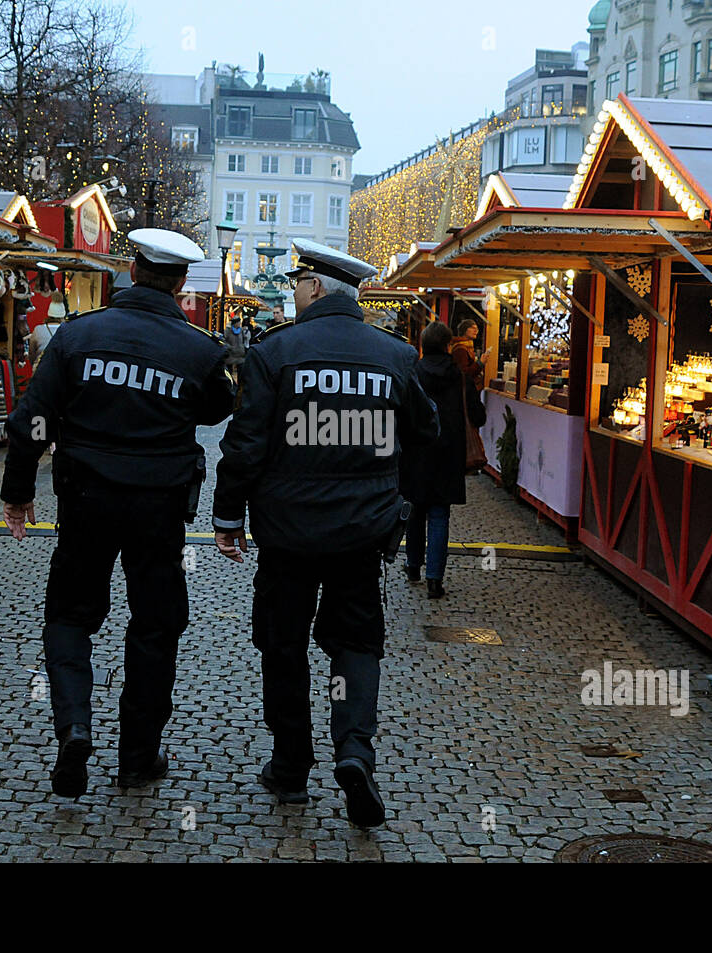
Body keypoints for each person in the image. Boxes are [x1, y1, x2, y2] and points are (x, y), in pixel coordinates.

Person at [1, 228, 235, 799]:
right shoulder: (201, 351)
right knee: (156, 624)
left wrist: (18, 489)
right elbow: (219, 408)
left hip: (84, 499)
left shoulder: (77, 336)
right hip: (159, 509)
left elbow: (33, 417)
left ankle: (74, 726)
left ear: (130, 269)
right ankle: (137, 754)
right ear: (181, 283)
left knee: (70, 615)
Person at [213, 238, 439, 828]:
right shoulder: (393, 355)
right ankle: (354, 750)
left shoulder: (276, 351)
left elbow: (245, 443)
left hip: (287, 534)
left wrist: (227, 515)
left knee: (282, 644)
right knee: (355, 643)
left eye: (297, 284)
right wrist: (396, 497)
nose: (292, 292)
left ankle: (290, 766)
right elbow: (427, 430)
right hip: (361, 535)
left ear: (315, 288)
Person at [400, 321, 486, 599]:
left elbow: (400, 412)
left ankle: (413, 565)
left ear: (423, 346)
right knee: (439, 514)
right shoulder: (460, 376)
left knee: (415, 510)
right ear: (448, 345)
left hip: (416, 451)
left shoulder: (412, 374)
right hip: (448, 452)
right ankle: (434, 579)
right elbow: (478, 414)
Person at [449, 318, 486, 391]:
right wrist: (480, 363)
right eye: (472, 328)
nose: (476, 331)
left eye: (477, 329)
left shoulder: (468, 347)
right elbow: (464, 374)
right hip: (463, 390)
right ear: (464, 330)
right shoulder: (460, 349)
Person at [222, 314, 249, 382]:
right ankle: (230, 386)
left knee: (241, 374)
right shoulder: (228, 331)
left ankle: (239, 388)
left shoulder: (241, 331)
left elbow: (245, 340)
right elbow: (224, 341)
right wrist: (230, 347)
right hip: (231, 355)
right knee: (229, 374)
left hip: (240, 355)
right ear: (235, 323)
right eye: (238, 322)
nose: (240, 323)